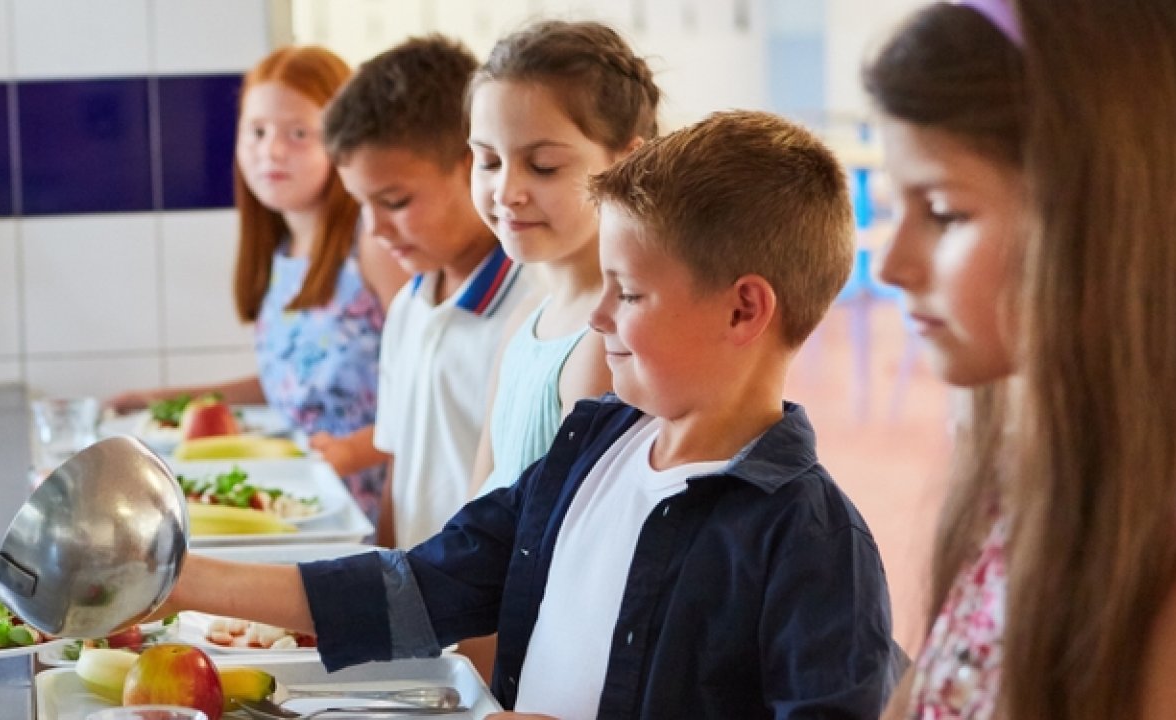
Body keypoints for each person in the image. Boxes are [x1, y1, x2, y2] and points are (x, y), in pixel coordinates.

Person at [161, 109, 896, 720]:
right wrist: (169, 579)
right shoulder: (590, 448)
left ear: (744, 308)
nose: (599, 316)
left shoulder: (813, 543)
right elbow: (415, 588)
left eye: (630, 294)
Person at [868, 1, 1176, 718]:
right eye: (894, 205)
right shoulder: (1027, 489)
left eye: (946, 212)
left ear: (1110, 219)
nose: (891, 264)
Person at [107, 46, 408, 524]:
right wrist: (163, 401)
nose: (271, 151)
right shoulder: (283, 249)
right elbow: (290, 389)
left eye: (298, 133)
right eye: (258, 131)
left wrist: (354, 453)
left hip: (362, 517)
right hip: (301, 503)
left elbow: (431, 395)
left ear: (345, 138)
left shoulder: (374, 243)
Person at [325, 35, 529, 549]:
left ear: (473, 162)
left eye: (394, 201)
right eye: (360, 204)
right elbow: (399, 468)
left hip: (487, 620)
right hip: (421, 616)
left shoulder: (534, 308)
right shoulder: (409, 307)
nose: (375, 229)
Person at [466, 20, 651, 500]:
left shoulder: (605, 345)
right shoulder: (527, 319)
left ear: (627, 162)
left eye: (543, 166)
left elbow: (566, 534)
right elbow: (477, 504)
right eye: (487, 162)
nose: (506, 192)